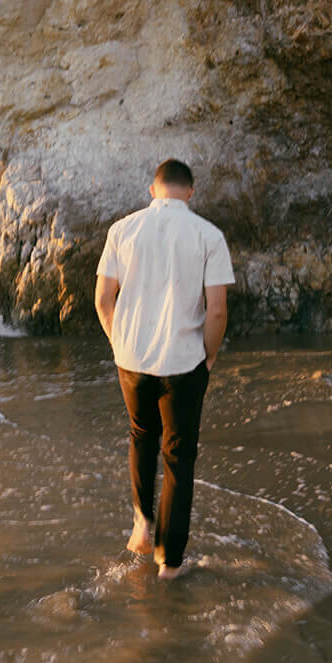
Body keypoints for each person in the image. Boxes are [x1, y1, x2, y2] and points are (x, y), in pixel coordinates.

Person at [94, 160, 234, 580]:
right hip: (183, 362)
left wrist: (120, 344)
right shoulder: (209, 235)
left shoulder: (122, 230)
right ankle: (169, 564)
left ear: (152, 189)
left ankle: (141, 523)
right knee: (178, 457)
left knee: (141, 434)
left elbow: (103, 299)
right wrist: (208, 357)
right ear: (190, 193)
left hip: (131, 360)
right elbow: (218, 311)